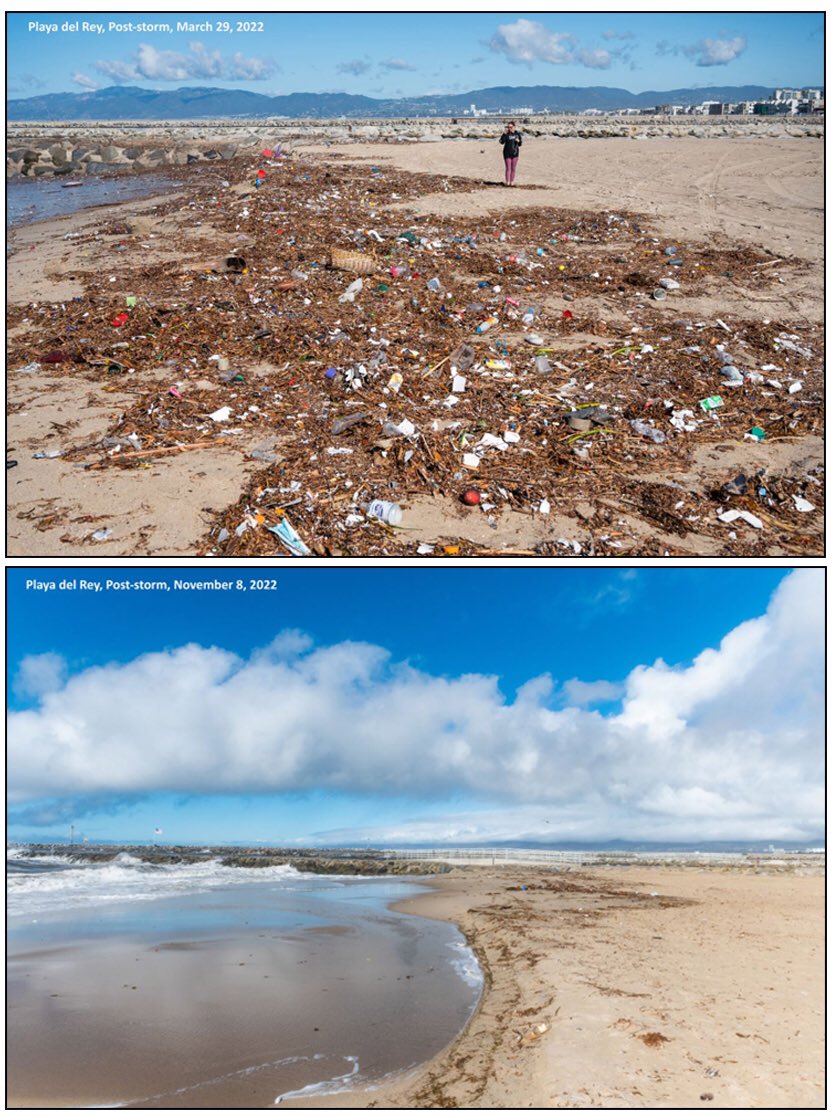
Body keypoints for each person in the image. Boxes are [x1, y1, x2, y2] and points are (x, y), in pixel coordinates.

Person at [499, 122, 522, 186]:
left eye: (511, 127)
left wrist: (518, 141)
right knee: (508, 168)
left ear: (514, 127)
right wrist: (503, 134)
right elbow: (501, 142)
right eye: (508, 127)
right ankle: (507, 182)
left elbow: (520, 144)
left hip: (515, 153)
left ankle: (512, 182)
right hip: (507, 153)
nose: (509, 129)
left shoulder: (517, 134)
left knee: (513, 168)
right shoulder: (506, 134)